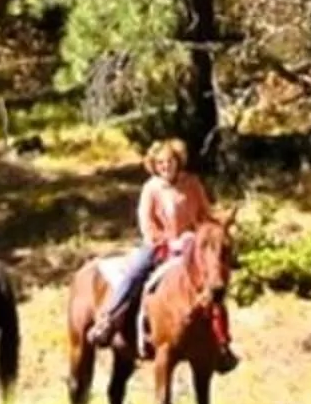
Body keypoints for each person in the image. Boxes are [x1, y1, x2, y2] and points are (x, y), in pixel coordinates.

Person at [89, 138, 233, 368]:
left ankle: (221, 343)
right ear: (155, 165)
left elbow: (206, 213)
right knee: (134, 273)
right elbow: (146, 223)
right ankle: (108, 319)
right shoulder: (151, 188)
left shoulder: (193, 184)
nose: (166, 166)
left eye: (169, 161)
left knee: (213, 283)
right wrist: (166, 242)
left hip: (191, 247)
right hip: (159, 246)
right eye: (160, 163)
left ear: (178, 161)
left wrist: (221, 222)